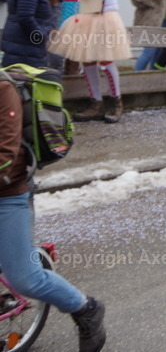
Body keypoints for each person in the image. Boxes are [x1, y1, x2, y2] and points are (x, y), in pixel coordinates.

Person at [0, 78, 107, 352]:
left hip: (8, 194)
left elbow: (7, 154)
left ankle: (86, 309)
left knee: (25, 278)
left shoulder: (3, 89)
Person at [48, 0, 131, 123]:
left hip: (106, 16)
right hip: (86, 15)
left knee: (106, 60)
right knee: (87, 60)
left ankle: (116, 102)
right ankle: (96, 103)